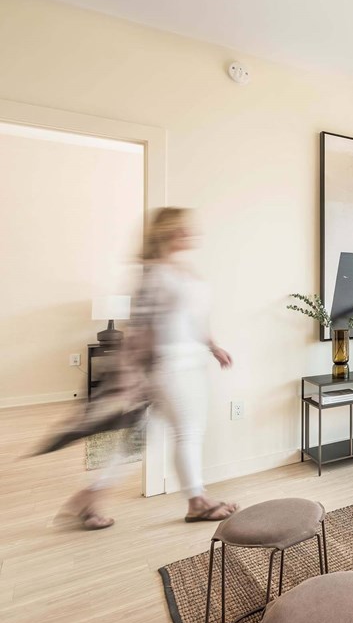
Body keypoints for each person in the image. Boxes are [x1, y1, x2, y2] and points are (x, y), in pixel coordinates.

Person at [61, 207, 238, 528]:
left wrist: (213, 347)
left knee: (141, 437)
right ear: (169, 232)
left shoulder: (182, 271)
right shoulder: (153, 274)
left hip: (187, 362)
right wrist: (131, 375)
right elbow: (140, 328)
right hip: (171, 366)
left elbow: (195, 319)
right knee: (188, 432)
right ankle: (197, 501)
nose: (191, 233)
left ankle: (89, 499)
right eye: (184, 228)